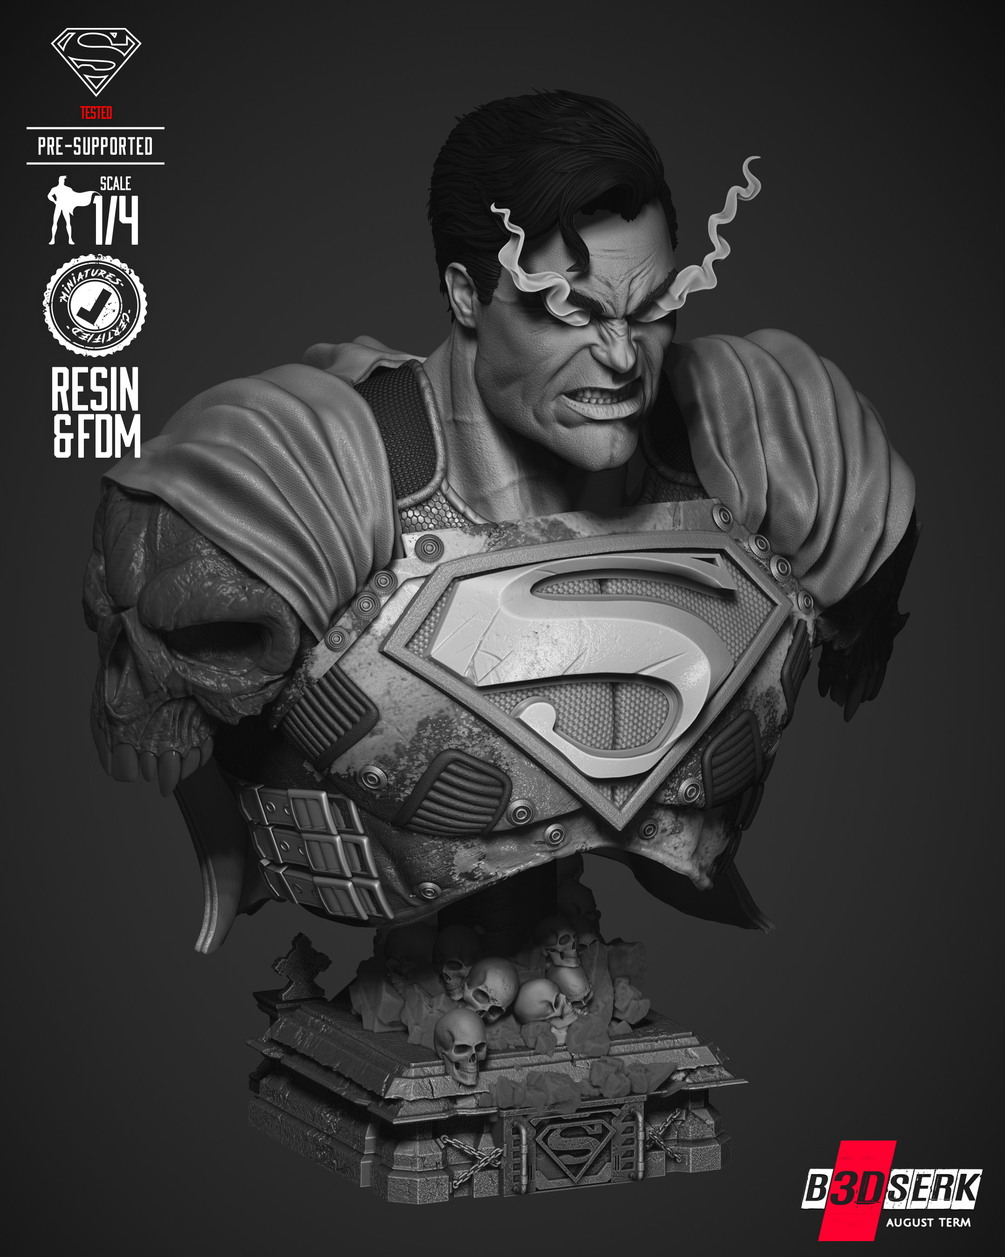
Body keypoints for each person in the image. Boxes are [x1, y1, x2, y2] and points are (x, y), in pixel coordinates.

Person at [84, 91, 917, 952]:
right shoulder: (307, 474)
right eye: (566, 310)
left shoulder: (767, 437)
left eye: (650, 308)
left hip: (577, 979)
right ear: (464, 294)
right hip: (411, 968)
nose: (622, 358)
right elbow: (168, 683)